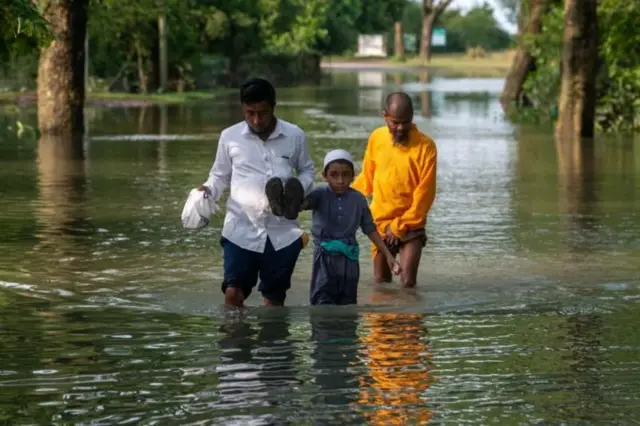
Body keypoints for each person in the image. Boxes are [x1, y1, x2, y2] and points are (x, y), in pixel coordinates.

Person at [197, 77, 315, 308]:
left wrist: (299, 189)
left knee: (273, 300)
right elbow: (219, 175)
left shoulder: (295, 135)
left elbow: (307, 169)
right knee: (232, 294)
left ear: (273, 107)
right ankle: (235, 342)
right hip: (240, 229)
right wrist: (208, 189)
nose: (256, 120)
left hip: (282, 232)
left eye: (262, 113)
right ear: (242, 107)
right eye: (249, 113)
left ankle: (272, 343)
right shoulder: (229, 137)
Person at [267, 149, 401, 305]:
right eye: (334, 175)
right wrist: (296, 204)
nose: (340, 181)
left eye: (345, 175)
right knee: (322, 300)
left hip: (349, 260)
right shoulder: (320, 193)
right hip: (324, 258)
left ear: (353, 176)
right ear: (325, 176)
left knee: (348, 302)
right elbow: (307, 203)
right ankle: (284, 204)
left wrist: (389, 257)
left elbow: (370, 229)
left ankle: (345, 329)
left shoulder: (358, 199)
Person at [352, 92, 437, 288]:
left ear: (412, 118)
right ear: (385, 116)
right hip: (380, 224)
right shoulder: (377, 138)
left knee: (407, 284)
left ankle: (409, 318)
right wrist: (341, 196)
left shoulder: (426, 146)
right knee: (381, 283)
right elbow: (367, 178)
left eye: (405, 122)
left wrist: (398, 227)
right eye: (395, 122)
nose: (400, 128)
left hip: (410, 225)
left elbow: (425, 196)